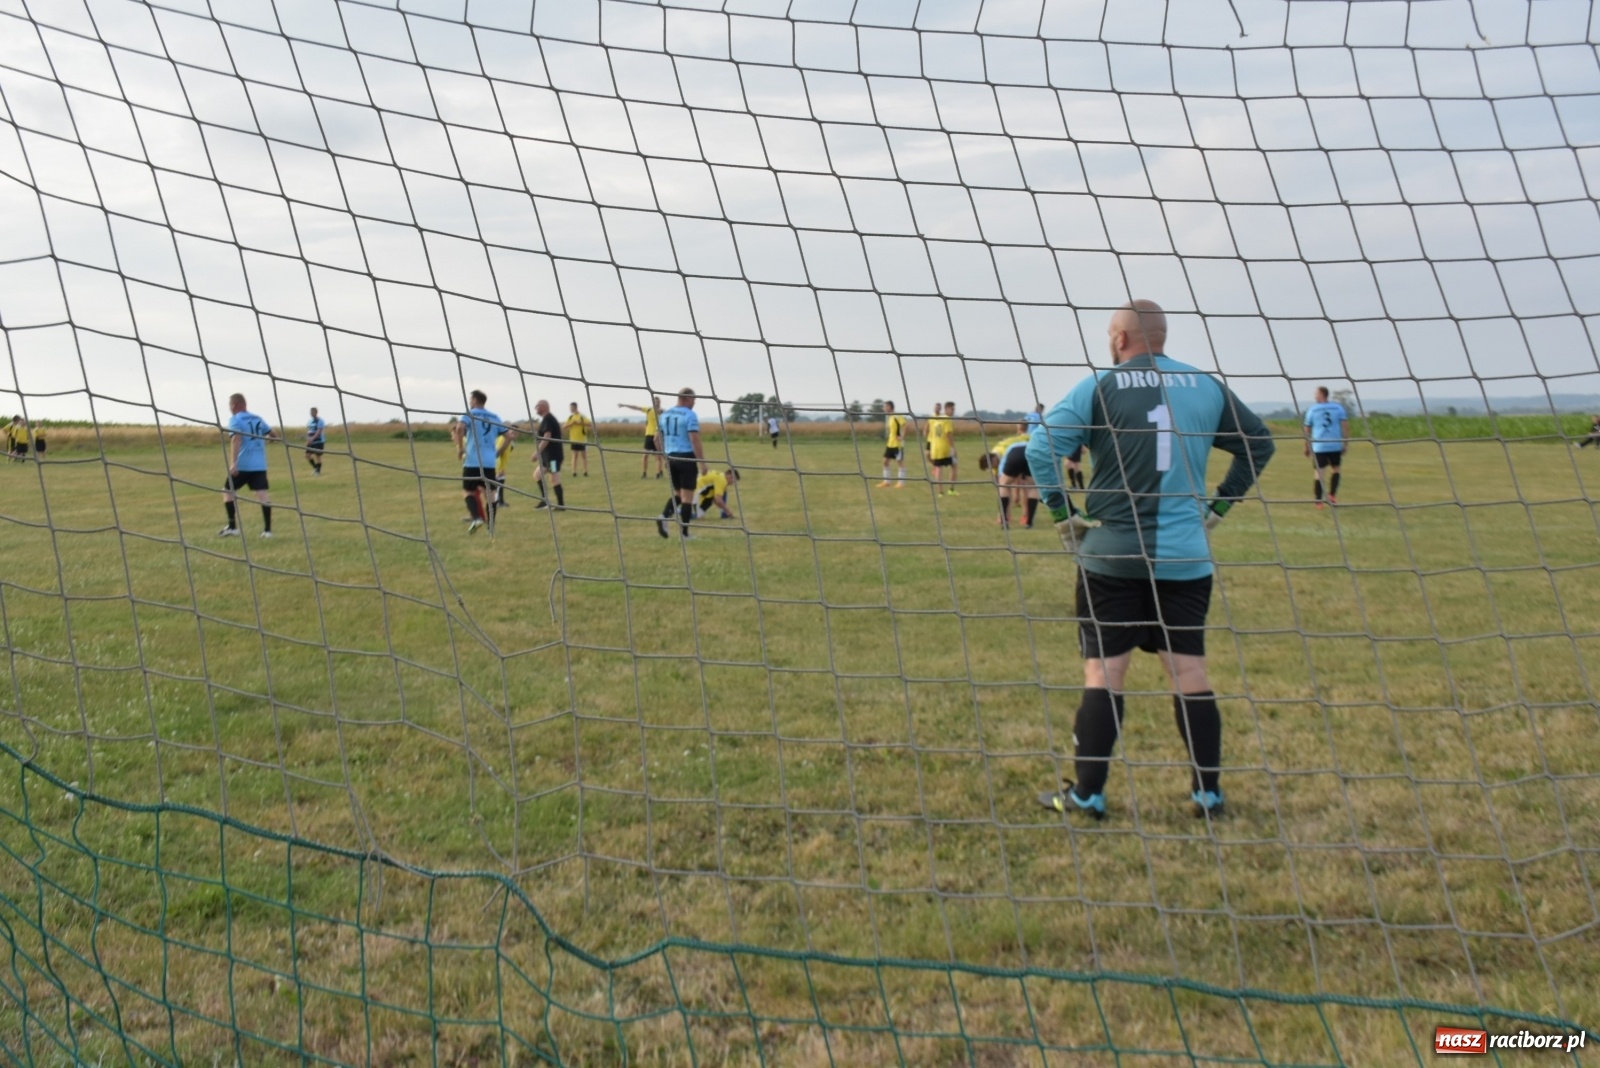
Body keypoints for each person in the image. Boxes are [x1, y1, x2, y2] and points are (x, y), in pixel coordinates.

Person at [1027, 300, 1275, 822]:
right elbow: (1259, 443)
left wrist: (1061, 513)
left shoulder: (1099, 386)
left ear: (1119, 339)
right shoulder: (1206, 385)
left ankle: (1088, 794)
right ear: (1161, 336)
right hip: (1186, 559)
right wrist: (1219, 506)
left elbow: (1038, 448)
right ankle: (1208, 794)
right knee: (1189, 672)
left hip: (1111, 558)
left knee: (1104, 672)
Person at [219, 393, 279, 538]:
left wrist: (234, 463)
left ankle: (233, 527)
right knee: (262, 495)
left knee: (227, 491)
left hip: (243, 465)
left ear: (234, 405)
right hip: (260, 464)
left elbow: (236, 439)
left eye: (229, 405)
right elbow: (273, 435)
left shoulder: (235, 419)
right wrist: (267, 440)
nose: (229, 408)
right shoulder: (257, 418)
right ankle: (267, 531)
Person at [450, 390, 506, 535]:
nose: (470, 402)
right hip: (489, 463)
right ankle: (491, 526)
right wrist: (499, 451)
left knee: (468, 491)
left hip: (473, 461)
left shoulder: (470, 414)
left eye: (471, 399)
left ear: (475, 400)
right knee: (491, 495)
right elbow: (509, 435)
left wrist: (460, 448)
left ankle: (476, 518)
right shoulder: (495, 416)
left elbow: (460, 427)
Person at [656, 388, 706, 539]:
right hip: (686, 458)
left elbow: (656, 439)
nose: (694, 403)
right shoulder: (690, 415)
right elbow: (694, 439)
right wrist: (702, 463)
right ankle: (685, 533)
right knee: (687, 498)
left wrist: (664, 457)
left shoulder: (664, 415)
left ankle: (664, 516)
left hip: (671, 458)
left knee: (678, 494)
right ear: (685, 399)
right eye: (693, 400)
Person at [978, 422, 1038, 528]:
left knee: (1009, 486)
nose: (993, 469)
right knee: (1032, 486)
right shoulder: (994, 454)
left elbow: (1007, 482)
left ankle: (1007, 518)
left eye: (992, 466)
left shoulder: (1003, 453)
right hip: (1032, 451)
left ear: (993, 460)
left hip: (1019, 451)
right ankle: (1028, 521)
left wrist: (1016, 496)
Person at [1303, 386, 1349, 507]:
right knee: (1336, 469)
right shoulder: (1338, 408)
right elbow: (1345, 426)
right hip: (1335, 444)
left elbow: (1307, 430)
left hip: (1319, 446)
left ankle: (1318, 501)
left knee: (1319, 473)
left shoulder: (1313, 410)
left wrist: (1306, 447)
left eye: (1316, 393)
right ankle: (1332, 495)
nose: (1314, 396)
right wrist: (1345, 444)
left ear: (1322, 394)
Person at [619, 396, 664, 478]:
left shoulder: (662, 412)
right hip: (649, 435)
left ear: (660, 403)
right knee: (645, 455)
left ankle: (658, 473)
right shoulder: (649, 410)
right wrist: (624, 405)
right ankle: (644, 473)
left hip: (658, 435)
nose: (656, 403)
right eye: (655, 402)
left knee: (658, 456)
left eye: (658, 402)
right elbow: (636, 407)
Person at [532, 400, 565, 510]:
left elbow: (547, 437)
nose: (536, 409)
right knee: (537, 475)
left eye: (537, 406)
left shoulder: (549, 419)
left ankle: (561, 505)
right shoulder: (545, 419)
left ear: (544, 407)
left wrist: (537, 452)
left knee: (554, 478)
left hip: (553, 457)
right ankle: (545, 500)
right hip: (547, 456)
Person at [877, 401, 912, 488]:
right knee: (885, 462)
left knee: (899, 462)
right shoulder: (890, 418)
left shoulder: (897, 416)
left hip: (897, 444)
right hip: (890, 444)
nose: (883, 409)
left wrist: (902, 437)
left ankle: (901, 483)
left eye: (885, 407)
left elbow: (906, 425)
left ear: (889, 407)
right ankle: (887, 482)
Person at [926, 403, 955, 494]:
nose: (953, 411)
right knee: (954, 466)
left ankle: (940, 492)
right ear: (946, 409)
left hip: (935, 447)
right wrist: (953, 447)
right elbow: (948, 434)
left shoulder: (938, 420)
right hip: (944, 448)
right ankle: (951, 490)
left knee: (938, 469)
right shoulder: (947, 420)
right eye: (952, 409)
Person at [564, 403, 592, 475]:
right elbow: (564, 427)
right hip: (573, 439)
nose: (570, 409)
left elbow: (590, 425)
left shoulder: (582, 416)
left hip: (582, 439)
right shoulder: (570, 417)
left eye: (571, 408)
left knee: (584, 455)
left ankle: (585, 471)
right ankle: (574, 471)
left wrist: (581, 423)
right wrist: (571, 424)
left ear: (575, 407)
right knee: (575, 455)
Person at [493, 426, 515, 512]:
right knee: (498, 482)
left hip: (501, 465)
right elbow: (498, 452)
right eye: (512, 432)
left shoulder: (511, 443)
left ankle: (500, 501)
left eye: (516, 433)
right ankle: (498, 501)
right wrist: (500, 468)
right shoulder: (503, 439)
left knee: (501, 481)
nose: (513, 435)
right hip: (497, 464)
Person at [305, 407, 326, 476]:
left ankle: (318, 472)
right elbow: (309, 431)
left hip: (318, 441)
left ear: (316, 412)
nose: (311, 413)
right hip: (311, 442)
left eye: (313, 412)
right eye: (311, 412)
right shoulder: (309, 421)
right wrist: (308, 439)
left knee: (318, 456)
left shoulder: (320, 421)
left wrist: (312, 439)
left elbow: (318, 431)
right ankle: (315, 468)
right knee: (307, 455)